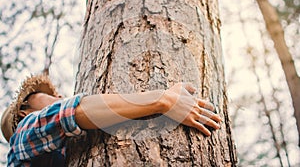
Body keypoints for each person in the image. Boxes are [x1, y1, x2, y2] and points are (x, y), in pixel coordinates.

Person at [1, 74, 222, 166]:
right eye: (49, 97)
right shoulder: (24, 131)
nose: (59, 97)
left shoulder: (56, 153)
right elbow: (70, 113)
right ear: (24, 113)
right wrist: (163, 99)